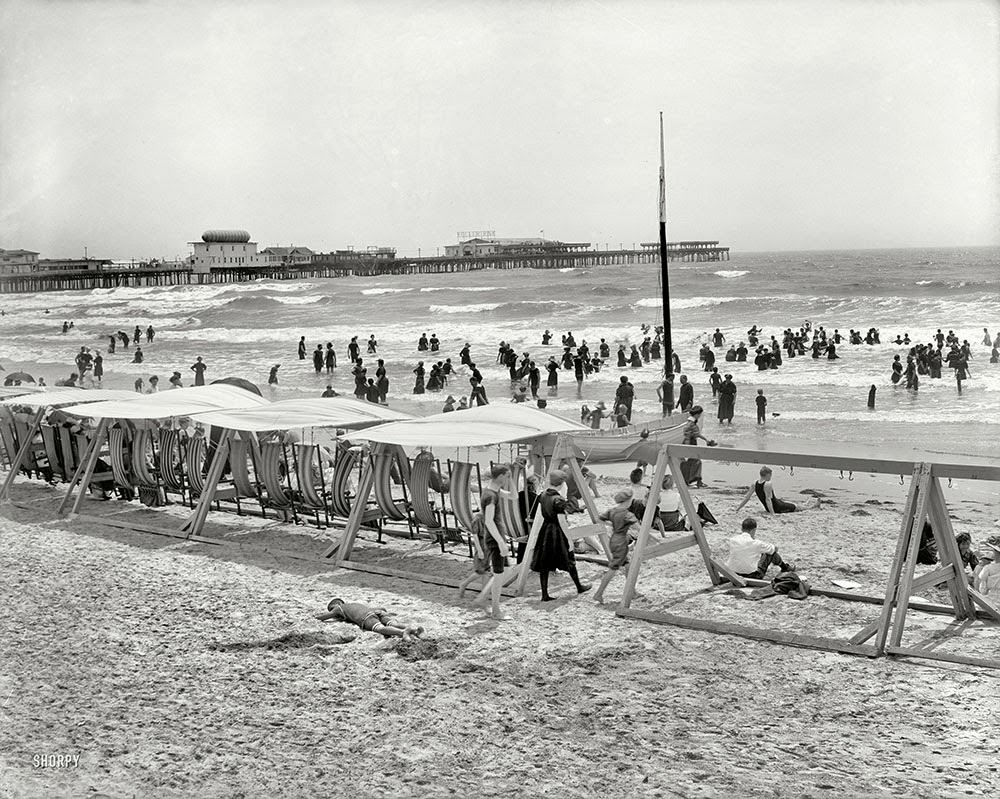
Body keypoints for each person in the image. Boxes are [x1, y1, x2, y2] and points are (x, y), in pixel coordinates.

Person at [529, 471, 592, 601]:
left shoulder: (543, 495)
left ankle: (545, 594)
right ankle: (579, 586)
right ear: (562, 483)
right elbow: (562, 522)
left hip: (545, 530)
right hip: (556, 531)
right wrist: (569, 540)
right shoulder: (558, 500)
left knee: (544, 563)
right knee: (569, 559)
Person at [470, 464, 513, 620]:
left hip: (496, 537)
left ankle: (483, 597)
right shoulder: (491, 496)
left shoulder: (493, 490)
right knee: (500, 574)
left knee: (505, 572)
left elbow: (514, 496)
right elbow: (488, 521)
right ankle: (496, 611)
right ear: (501, 476)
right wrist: (501, 542)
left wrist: (513, 479)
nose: (508, 479)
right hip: (494, 539)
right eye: (507, 476)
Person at [593, 489, 640, 603]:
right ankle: (598, 593)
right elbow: (639, 528)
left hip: (614, 538)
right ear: (628, 501)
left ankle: (632, 591)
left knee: (627, 565)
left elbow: (598, 519)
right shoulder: (627, 514)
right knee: (613, 568)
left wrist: (612, 524)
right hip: (621, 540)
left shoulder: (613, 511)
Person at [316, 598, 423, 640]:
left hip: (366, 618)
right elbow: (381, 608)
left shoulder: (338, 608)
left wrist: (315, 617)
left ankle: (402, 632)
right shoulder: (354, 604)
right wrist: (383, 611)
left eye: (331, 609)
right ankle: (413, 630)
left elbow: (323, 617)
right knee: (392, 623)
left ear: (337, 604)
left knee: (380, 629)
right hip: (374, 612)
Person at [724, 517, 795, 578]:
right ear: (753, 530)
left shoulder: (732, 540)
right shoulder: (756, 543)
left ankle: (786, 567)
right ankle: (785, 567)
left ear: (742, 529)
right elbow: (774, 549)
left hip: (734, 573)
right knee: (770, 552)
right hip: (752, 575)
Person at [735, 466, 818, 514]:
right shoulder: (768, 484)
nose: (771, 477)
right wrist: (772, 514)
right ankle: (812, 507)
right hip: (777, 508)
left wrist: (737, 509)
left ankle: (806, 504)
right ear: (767, 475)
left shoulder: (754, 483)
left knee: (793, 504)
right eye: (770, 475)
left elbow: (747, 498)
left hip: (775, 504)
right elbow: (768, 500)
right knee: (796, 507)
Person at [680, 406, 716, 488]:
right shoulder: (692, 424)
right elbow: (694, 435)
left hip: (688, 444)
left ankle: (686, 480)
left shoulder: (689, 422)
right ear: (696, 414)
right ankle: (698, 481)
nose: (700, 416)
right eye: (699, 414)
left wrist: (706, 440)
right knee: (697, 462)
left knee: (689, 463)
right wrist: (706, 440)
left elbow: (694, 434)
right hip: (691, 444)